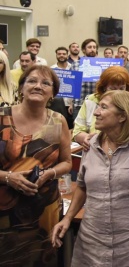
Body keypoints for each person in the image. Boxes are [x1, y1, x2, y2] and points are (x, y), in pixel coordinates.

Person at [51, 90, 129, 266]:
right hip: (93, 239)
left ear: (122, 116)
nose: (95, 112)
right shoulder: (91, 145)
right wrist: (67, 218)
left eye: (103, 107)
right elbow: (82, 186)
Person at [0, 65, 72, 266]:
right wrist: (8, 177)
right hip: (3, 212)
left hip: (44, 212)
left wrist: (50, 173)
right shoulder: (1, 117)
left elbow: (67, 162)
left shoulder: (58, 121)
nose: (38, 86)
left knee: (42, 260)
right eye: (32, 81)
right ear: (21, 88)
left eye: (45, 83)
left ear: (53, 93)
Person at [73, 66, 129, 150]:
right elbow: (77, 132)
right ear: (104, 87)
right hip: (94, 149)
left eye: (122, 88)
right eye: (112, 89)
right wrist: (88, 138)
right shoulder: (90, 101)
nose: (117, 93)